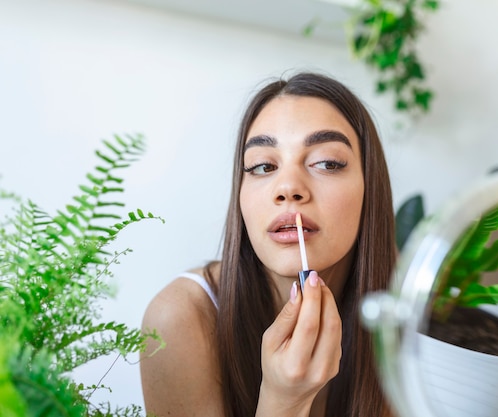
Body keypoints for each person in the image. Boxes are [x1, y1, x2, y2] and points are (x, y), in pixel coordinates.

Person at [140, 71, 396, 417]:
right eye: (262, 166)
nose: (288, 187)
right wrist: (284, 403)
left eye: (327, 163)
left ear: (371, 189)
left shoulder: (410, 321)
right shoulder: (180, 319)